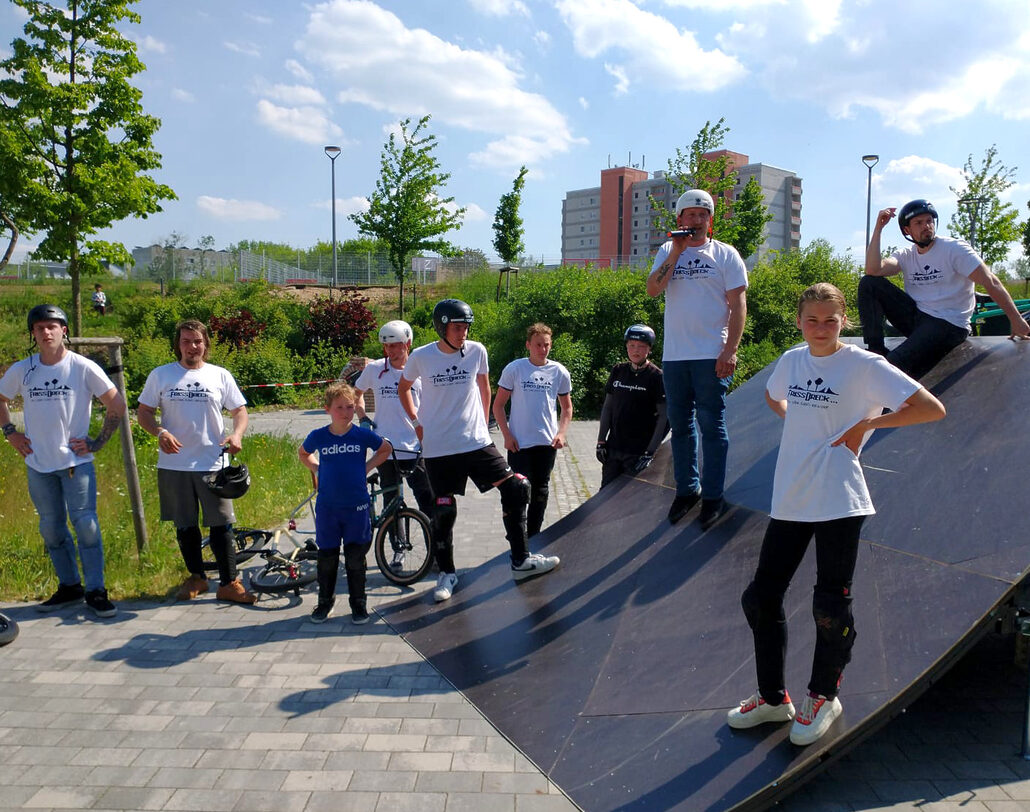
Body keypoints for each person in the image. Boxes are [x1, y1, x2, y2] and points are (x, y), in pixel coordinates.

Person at [727, 283, 946, 746]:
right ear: (800, 321)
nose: (821, 328)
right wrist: (798, 422)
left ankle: (823, 696)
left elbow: (930, 408)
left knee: (829, 606)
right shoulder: (791, 360)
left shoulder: (864, 366)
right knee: (761, 598)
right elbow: (774, 396)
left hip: (840, 500)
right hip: (791, 496)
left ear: (844, 320)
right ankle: (773, 699)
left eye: (830, 320)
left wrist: (868, 424)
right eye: (812, 320)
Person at [397, 299, 560, 603]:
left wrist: (483, 423)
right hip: (439, 447)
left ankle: (521, 560)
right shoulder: (421, 357)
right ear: (441, 327)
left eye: (466, 327)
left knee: (516, 488)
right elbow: (403, 388)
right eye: (457, 328)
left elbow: (485, 388)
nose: (463, 333)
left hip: (474, 441)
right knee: (443, 510)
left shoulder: (477, 350)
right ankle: (447, 574)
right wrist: (418, 423)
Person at [0, 304, 124, 617]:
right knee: (51, 529)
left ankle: (96, 590)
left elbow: (117, 404)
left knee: (86, 527)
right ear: (33, 333)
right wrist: (10, 433)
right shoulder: (23, 369)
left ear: (64, 330)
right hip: (38, 465)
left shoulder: (82, 367)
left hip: (75, 464)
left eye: (52, 326)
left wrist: (97, 441)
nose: (46, 332)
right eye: (40, 328)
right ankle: (70, 586)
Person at [647, 189, 748, 529]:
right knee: (680, 426)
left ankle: (713, 496)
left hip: (710, 355)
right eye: (689, 214)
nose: (695, 220)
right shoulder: (667, 250)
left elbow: (738, 306)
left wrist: (730, 350)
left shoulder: (725, 255)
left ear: (711, 220)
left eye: (702, 214)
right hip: (675, 356)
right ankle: (687, 490)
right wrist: (675, 252)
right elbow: (653, 289)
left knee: (712, 426)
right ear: (679, 219)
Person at [137, 319, 256, 604]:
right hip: (174, 464)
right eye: (186, 341)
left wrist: (236, 434)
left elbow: (240, 410)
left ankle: (229, 583)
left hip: (213, 463)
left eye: (198, 341)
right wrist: (159, 431)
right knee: (185, 525)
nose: (193, 346)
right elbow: (143, 413)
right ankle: (197, 577)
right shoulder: (161, 375)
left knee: (222, 525)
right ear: (178, 344)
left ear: (206, 344)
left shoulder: (219, 375)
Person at [860, 200, 1030, 379]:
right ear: (907, 231)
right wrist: (878, 229)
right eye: (919, 223)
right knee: (869, 283)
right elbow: (873, 269)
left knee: (892, 364)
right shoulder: (907, 255)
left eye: (929, 221)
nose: (926, 226)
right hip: (919, 319)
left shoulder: (954, 249)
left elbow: (991, 282)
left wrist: (1016, 320)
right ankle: (876, 348)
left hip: (949, 324)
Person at [299, 382, 392, 624]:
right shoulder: (318, 436)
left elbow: (385, 449)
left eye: (350, 407)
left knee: (355, 559)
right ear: (327, 409)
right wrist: (316, 468)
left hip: (357, 507)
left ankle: (358, 605)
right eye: (339, 407)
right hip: (328, 508)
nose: (345, 412)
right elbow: (303, 452)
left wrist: (366, 468)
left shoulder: (361, 434)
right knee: (327, 558)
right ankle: (324, 603)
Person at [354, 320, 436, 569]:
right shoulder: (375, 369)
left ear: (408, 344)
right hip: (385, 448)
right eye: (387, 346)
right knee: (392, 502)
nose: (391, 351)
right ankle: (398, 549)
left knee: (427, 499)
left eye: (396, 345)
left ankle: (435, 551)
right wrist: (362, 417)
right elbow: (356, 393)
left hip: (415, 447)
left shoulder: (421, 369)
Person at [493, 323, 573, 537]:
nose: (543, 349)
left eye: (546, 345)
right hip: (519, 443)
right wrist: (507, 435)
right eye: (538, 345)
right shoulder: (515, 369)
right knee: (517, 491)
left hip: (546, 444)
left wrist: (562, 433)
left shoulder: (559, 372)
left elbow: (567, 408)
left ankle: (534, 537)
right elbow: (498, 405)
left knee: (541, 492)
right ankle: (516, 536)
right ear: (528, 345)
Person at [595, 325, 667, 489]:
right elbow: (608, 408)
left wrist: (650, 452)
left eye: (641, 346)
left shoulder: (657, 376)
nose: (636, 350)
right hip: (614, 448)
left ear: (649, 348)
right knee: (604, 495)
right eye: (632, 345)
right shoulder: (618, 370)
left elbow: (664, 417)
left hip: (638, 453)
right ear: (626, 346)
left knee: (628, 500)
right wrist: (601, 441)